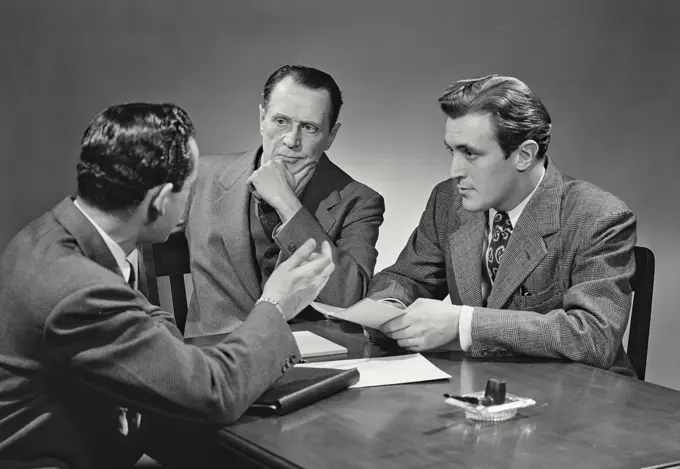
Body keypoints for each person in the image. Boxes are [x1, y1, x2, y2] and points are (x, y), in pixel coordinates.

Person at [0, 103, 335, 469]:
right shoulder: (78, 288)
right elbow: (213, 394)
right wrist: (276, 303)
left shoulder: (48, 234)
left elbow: (133, 318)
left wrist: (170, 357)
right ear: (160, 201)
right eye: (189, 187)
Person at [366, 75, 637, 376]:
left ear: (524, 155)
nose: (455, 171)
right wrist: (388, 307)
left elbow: (594, 338)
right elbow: (408, 277)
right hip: (483, 390)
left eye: (470, 153)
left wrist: (463, 323)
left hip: (581, 402)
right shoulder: (448, 200)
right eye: (451, 151)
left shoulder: (598, 216)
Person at [184, 65, 385, 337]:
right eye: (281, 122)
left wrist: (289, 206)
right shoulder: (202, 177)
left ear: (331, 136)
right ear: (262, 119)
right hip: (212, 359)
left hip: (303, 362)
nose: (291, 140)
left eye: (310, 128)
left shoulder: (359, 201)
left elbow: (349, 299)